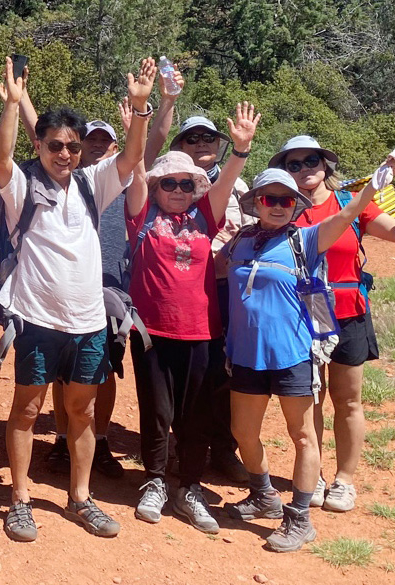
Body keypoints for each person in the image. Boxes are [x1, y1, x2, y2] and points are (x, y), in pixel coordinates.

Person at [0, 56, 156, 541]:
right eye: (55, 145)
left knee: (82, 411)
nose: (64, 154)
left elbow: (129, 158)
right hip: (38, 319)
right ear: (39, 144)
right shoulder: (23, 187)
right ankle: (20, 499)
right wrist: (12, 105)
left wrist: (142, 108)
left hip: (86, 322)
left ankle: (80, 498)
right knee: (26, 408)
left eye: (72, 146)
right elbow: (1, 161)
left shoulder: (90, 184)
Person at [220, 166, 381, 552]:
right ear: (256, 202)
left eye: (286, 200)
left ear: (296, 206)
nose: (277, 206)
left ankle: (300, 518)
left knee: (304, 435)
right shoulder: (240, 240)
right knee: (243, 433)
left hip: (292, 354)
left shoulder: (306, 239)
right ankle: (263, 495)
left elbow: (344, 216)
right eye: (269, 198)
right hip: (245, 354)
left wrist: (371, 190)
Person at [282, 136, 395, 512]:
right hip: (305, 312)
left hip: (348, 309)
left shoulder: (349, 205)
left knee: (348, 399)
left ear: (326, 166)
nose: (304, 169)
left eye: (311, 161)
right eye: (294, 164)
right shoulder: (281, 207)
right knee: (310, 399)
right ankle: (314, 475)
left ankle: (344, 481)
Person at [126, 103, 260, 536]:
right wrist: (145, 120)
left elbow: (226, 183)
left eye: (187, 183)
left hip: (201, 330)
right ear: (157, 186)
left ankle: (190, 487)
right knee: (157, 410)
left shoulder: (205, 216)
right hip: (151, 332)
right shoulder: (142, 217)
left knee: (196, 413)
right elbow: (136, 170)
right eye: (170, 183)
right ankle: (156, 481)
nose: (179, 189)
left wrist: (240, 149)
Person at [145, 72, 252, 482]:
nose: (202, 144)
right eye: (192, 139)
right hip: (180, 300)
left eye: (209, 137)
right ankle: (175, 452)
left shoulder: (232, 186)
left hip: (227, 294)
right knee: (174, 384)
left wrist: (241, 149)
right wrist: (165, 104)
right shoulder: (158, 200)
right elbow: (141, 162)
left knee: (221, 378)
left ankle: (220, 449)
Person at [45, 109, 135, 480]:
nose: (97, 146)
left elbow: (143, 151)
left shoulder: (122, 182)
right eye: (91, 140)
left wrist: (141, 121)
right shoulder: (68, 180)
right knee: (62, 372)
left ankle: (100, 440)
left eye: (104, 141)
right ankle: (62, 440)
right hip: (67, 288)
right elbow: (43, 136)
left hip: (111, 290)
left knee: (106, 370)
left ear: (115, 147)